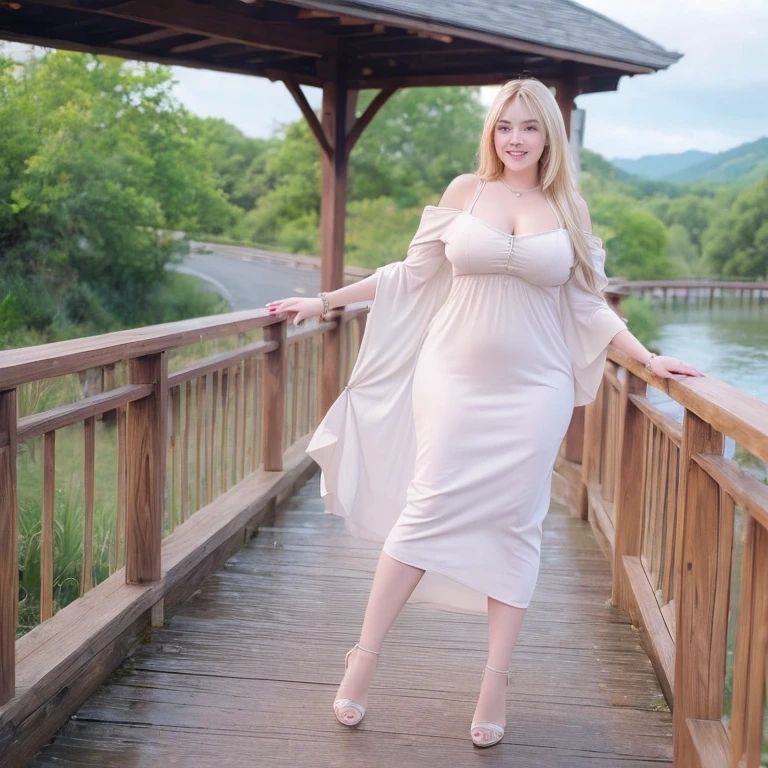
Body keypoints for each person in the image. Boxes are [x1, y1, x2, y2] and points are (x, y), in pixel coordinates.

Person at [265, 77, 704, 749]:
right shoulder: (463, 194)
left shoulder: (568, 206)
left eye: (530, 127)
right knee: (426, 507)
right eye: (505, 126)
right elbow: (408, 276)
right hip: (452, 379)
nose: (517, 138)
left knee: (517, 523)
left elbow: (589, 304)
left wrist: (648, 361)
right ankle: (363, 659)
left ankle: (495, 679)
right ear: (491, 132)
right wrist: (321, 303)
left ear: (548, 136)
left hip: (537, 388)